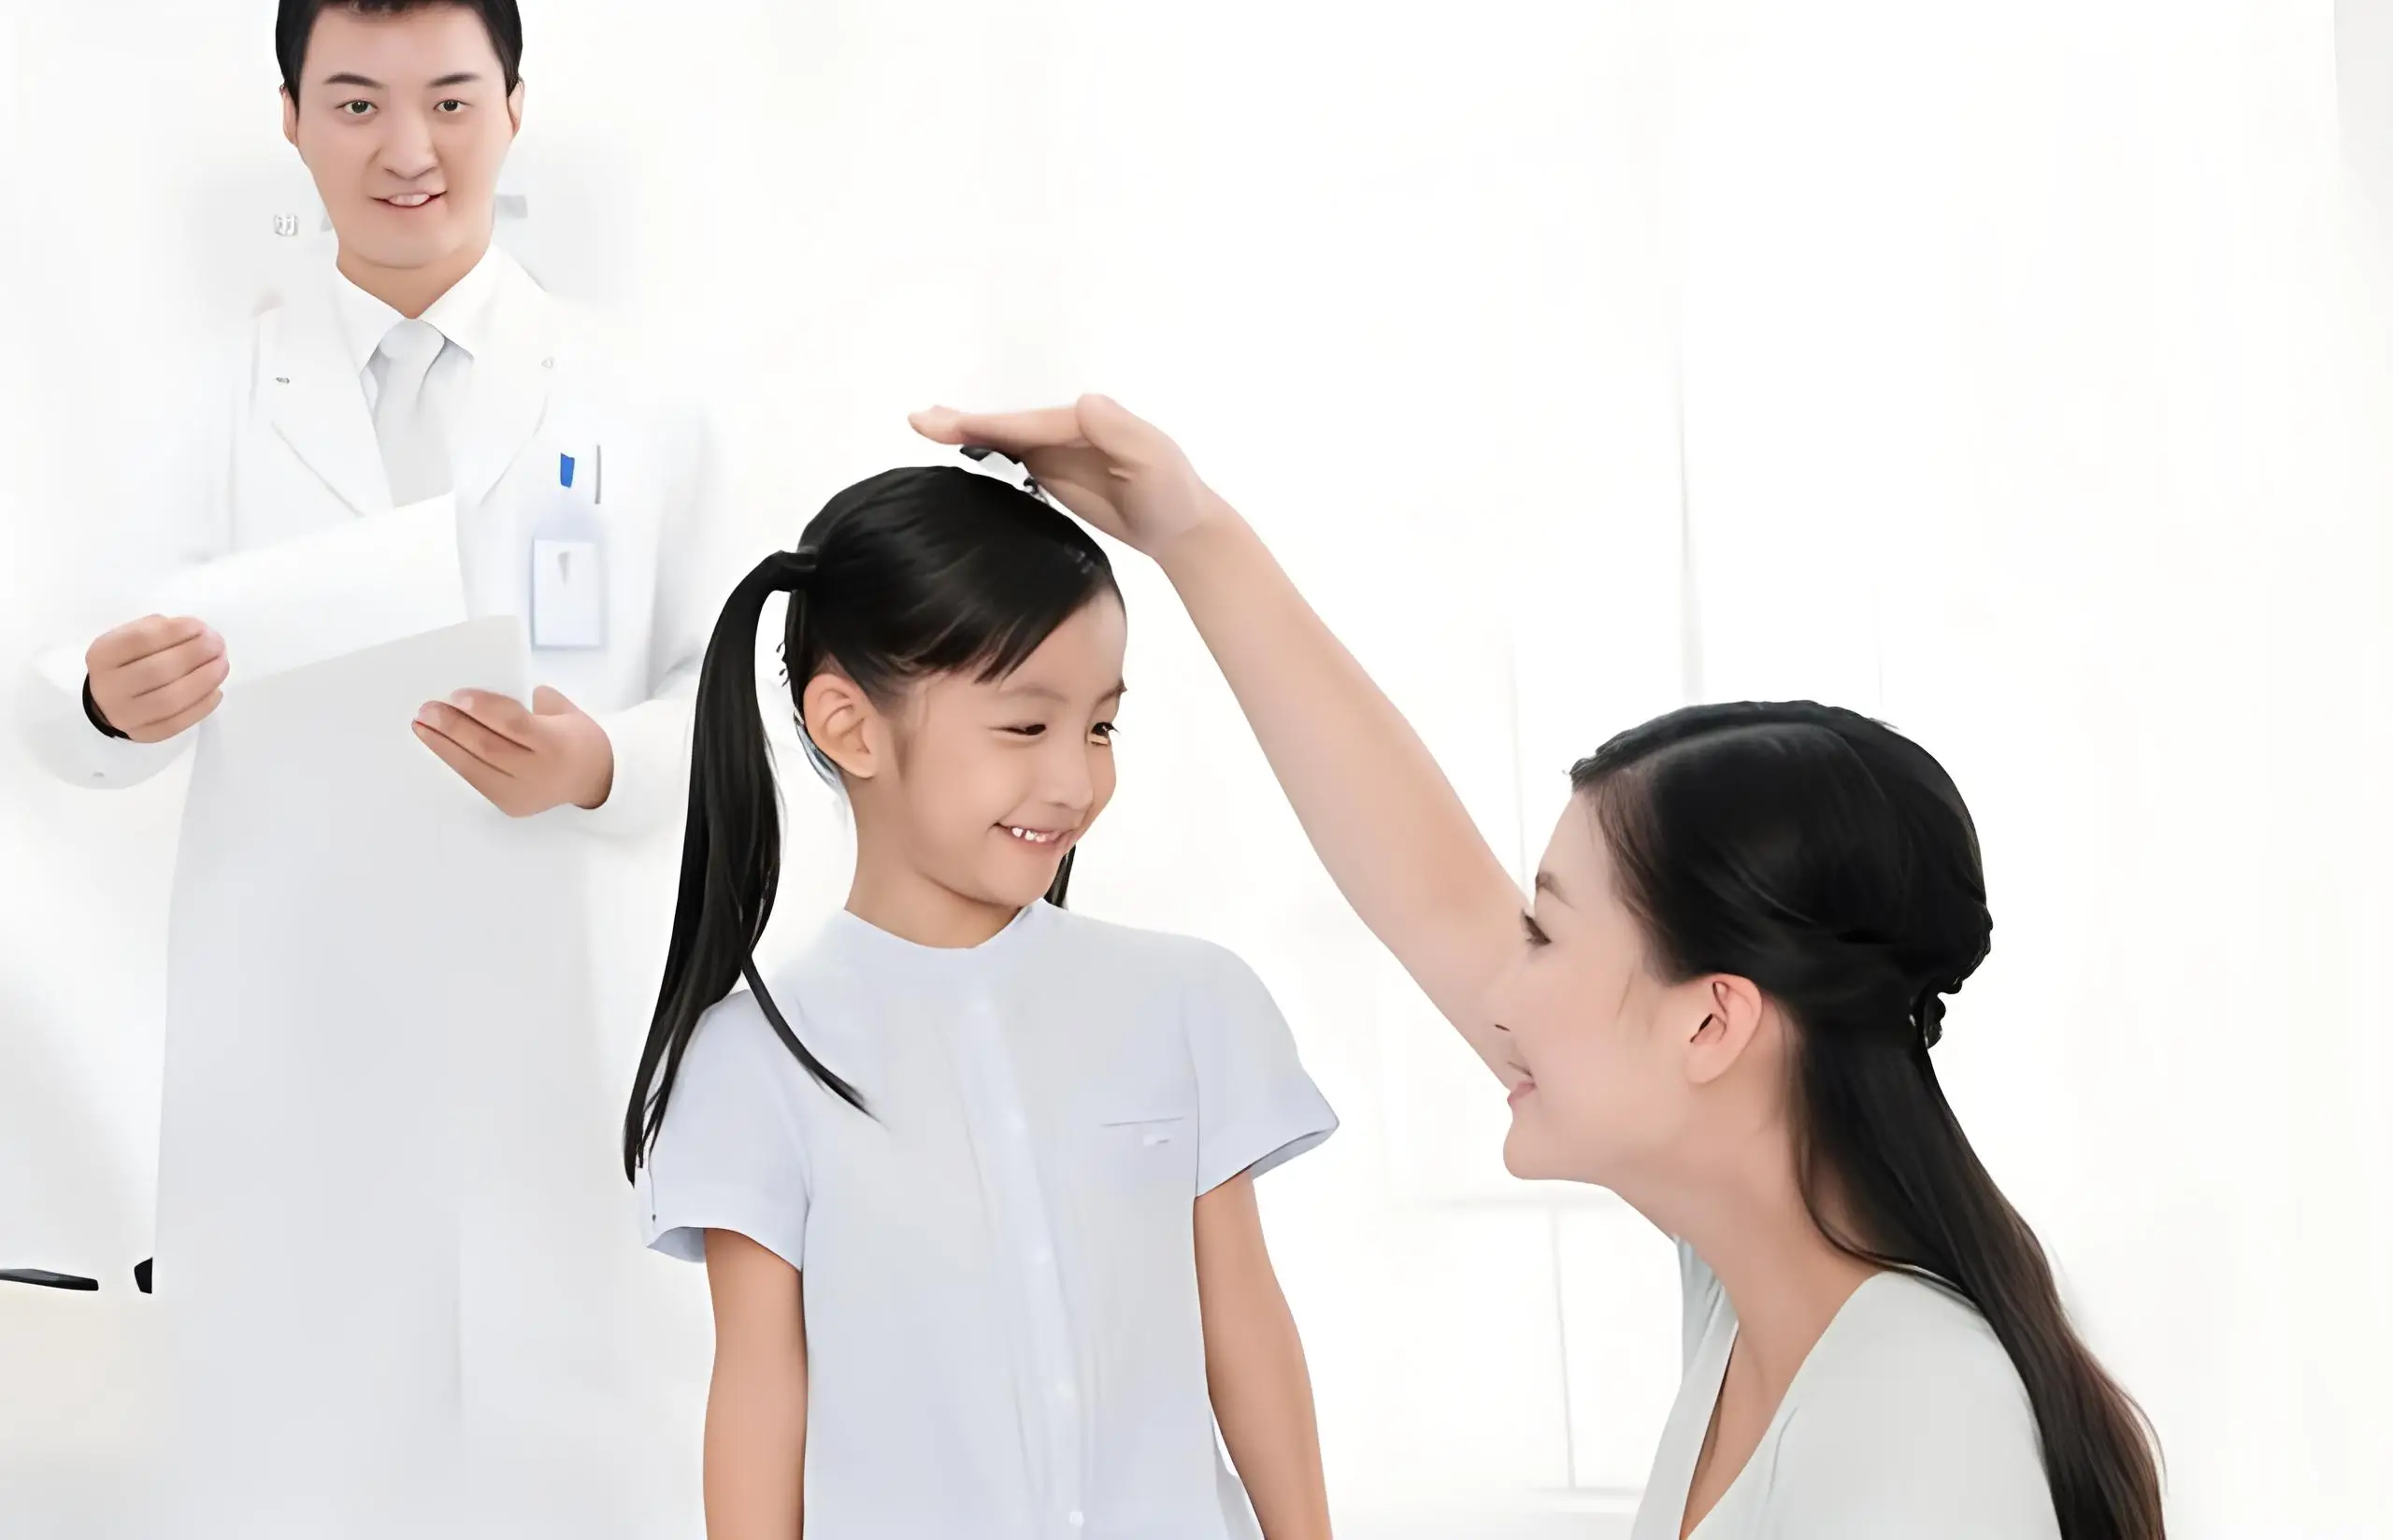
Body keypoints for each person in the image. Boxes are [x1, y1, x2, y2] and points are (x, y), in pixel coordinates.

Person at [909, 398, 2170, 1540]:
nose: (1499, 990)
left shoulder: (1918, 1414)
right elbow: (1428, 889)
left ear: (1712, 1023)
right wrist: (1190, 535)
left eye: (1547, 938)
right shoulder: (1764, 1301)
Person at [13, 3, 726, 1533]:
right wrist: (104, 703)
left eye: (452, 101)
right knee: (305, 1475)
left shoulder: (643, 402)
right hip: (294, 1054)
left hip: (564, 1040)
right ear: (289, 119)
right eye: (355, 104)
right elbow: (49, 685)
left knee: (574, 1468)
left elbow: (755, 708)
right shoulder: (196, 404)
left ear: (517, 106)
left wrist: (599, 761)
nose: (409, 150)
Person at [623, 461, 1339, 1540]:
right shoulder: (755, 1058)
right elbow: (761, 1396)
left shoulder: (1188, 1003)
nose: (1076, 782)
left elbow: (1244, 1329)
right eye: (1025, 728)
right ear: (850, 726)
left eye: (1100, 728)